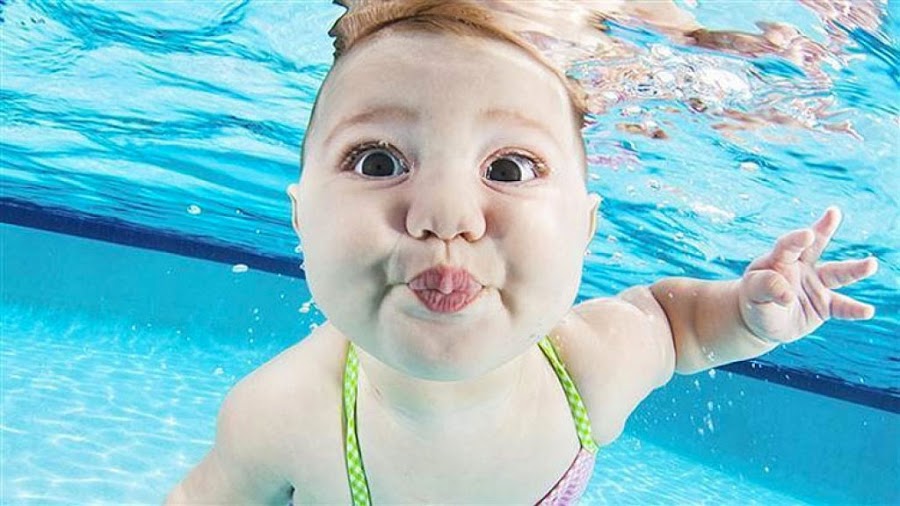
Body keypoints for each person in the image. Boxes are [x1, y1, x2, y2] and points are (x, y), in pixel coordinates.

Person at [165, 1, 879, 504]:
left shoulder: (586, 369)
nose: (446, 215)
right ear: (300, 216)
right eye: (378, 161)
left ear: (585, 230)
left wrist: (750, 318)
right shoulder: (281, 414)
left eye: (508, 169)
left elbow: (677, 326)